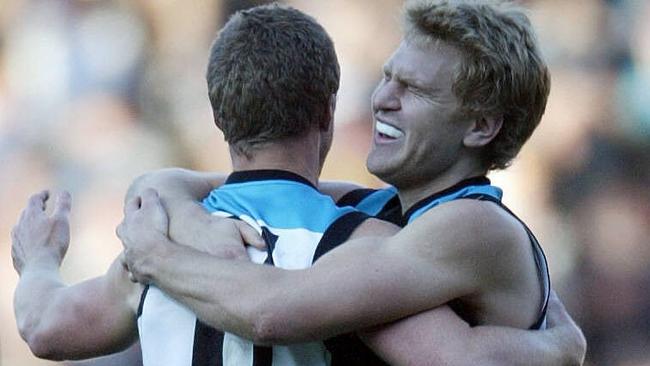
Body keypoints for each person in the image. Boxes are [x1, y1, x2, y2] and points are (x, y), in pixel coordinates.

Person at [11, 2, 585, 366]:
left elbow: (274, 310)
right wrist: (172, 207)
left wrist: (153, 251)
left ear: (482, 126)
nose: (382, 97)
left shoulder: (469, 227)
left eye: (415, 89)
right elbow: (178, 181)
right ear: (326, 113)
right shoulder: (372, 221)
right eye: (387, 76)